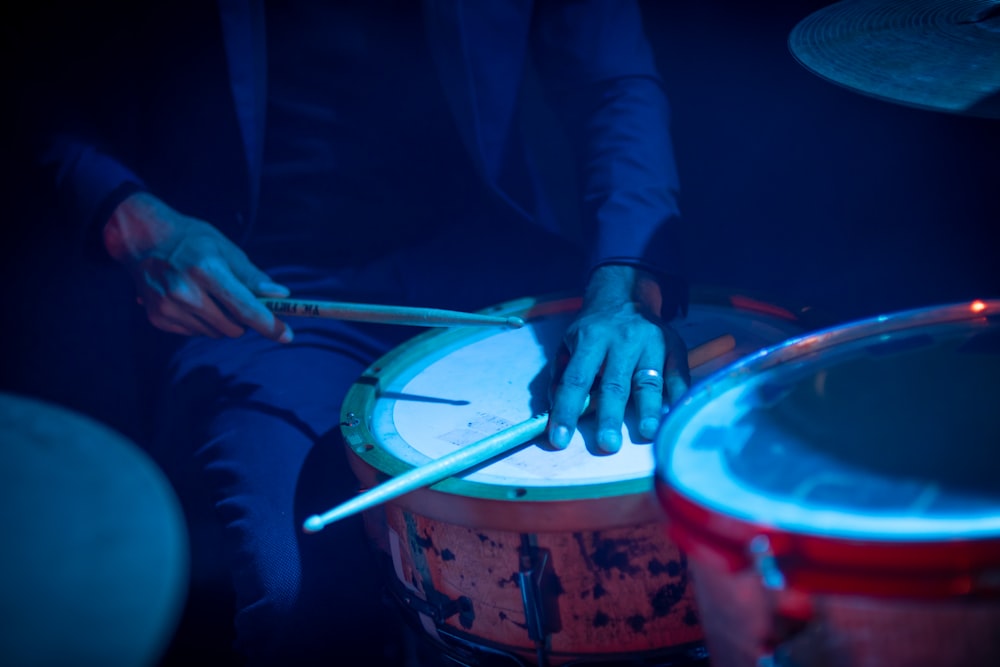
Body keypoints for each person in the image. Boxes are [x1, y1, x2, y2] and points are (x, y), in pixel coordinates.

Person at [26, 1, 689, 664]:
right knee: (296, 598)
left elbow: (612, 77)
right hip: (263, 289)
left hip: (491, 259)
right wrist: (127, 217)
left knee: (666, 501)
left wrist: (624, 282)